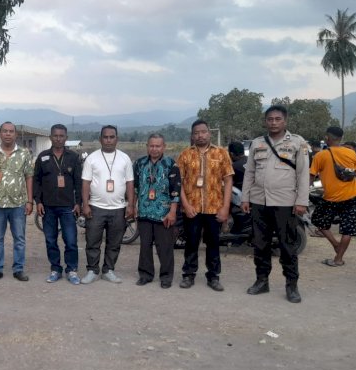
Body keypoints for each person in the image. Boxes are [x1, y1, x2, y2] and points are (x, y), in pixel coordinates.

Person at [241, 105, 310, 303]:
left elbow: (303, 174)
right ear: (265, 121)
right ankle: (262, 281)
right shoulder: (257, 143)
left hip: (285, 202)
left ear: (285, 121)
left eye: (277, 119)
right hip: (259, 201)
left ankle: (291, 285)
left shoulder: (297, 142)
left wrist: (301, 201)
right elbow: (250, 172)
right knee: (260, 244)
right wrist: (245, 197)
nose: (273, 122)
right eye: (270, 119)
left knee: (287, 245)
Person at [176, 119, 233, 291]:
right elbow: (179, 183)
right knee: (191, 243)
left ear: (209, 133)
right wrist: (186, 205)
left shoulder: (221, 153)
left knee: (213, 243)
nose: (200, 135)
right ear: (192, 136)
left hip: (214, 208)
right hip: (192, 209)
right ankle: (188, 274)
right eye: (196, 133)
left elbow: (228, 181)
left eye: (203, 132)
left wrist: (225, 207)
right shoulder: (185, 155)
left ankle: (213, 276)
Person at [80, 125, 135, 284]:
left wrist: (131, 205)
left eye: (112, 137)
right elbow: (86, 183)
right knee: (92, 242)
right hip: (96, 207)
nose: (109, 140)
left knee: (114, 243)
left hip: (118, 208)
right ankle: (92, 270)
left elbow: (130, 183)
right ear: (100, 139)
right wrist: (85, 204)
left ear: (117, 139)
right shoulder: (92, 158)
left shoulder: (124, 158)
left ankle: (108, 270)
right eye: (105, 137)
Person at [0, 121, 34, 282]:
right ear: (0, 134)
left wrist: (29, 201)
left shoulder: (24, 154)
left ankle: (18, 269)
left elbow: (29, 177)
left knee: (19, 239)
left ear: (15, 134)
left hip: (18, 204)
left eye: (11, 131)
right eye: (5, 131)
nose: (8, 134)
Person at [33, 124, 82, 285]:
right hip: (48, 207)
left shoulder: (73, 157)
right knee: (50, 240)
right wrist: (38, 201)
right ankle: (55, 269)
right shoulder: (43, 157)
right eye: (55, 136)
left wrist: (78, 202)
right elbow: (36, 181)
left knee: (71, 240)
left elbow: (78, 182)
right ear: (50, 137)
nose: (58, 139)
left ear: (66, 138)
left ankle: (72, 270)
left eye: (61, 136)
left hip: (68, 206)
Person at [309, 126, 356, 267]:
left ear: (327, 138)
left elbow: (311, 177)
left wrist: (301, 192)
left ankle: (335, 245)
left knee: (319, 221)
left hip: (331, 197)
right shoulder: (352, 153)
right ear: (341, 138)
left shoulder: (320, 156)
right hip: (353, 195)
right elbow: (354, 172)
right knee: (348, 229)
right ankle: (338, 259)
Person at [133, 133, 180, 288]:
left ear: (164, 147)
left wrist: (172, 212)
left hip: (163, 214)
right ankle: (145, 274)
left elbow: (175, 191)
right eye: (151, 146)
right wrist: (132, 206)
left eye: (158, 146)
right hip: (144, 212)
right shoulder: (139, 164)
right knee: (145, 246)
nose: (154, 149)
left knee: (165, 247)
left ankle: (166, 277)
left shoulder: (170, 164)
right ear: (147, 147)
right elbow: (135, 188)